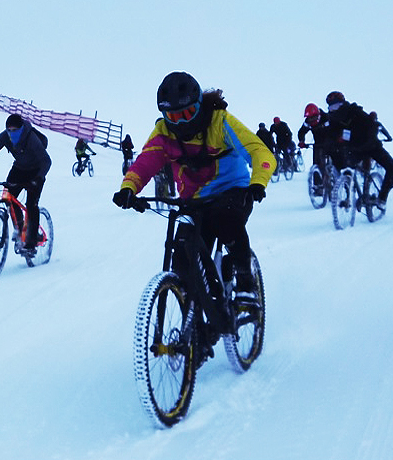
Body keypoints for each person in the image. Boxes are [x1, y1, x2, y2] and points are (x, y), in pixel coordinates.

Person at [113, 72, 275, 312]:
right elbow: (145, 162)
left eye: (187, 114)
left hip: (232, 190)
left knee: (226, 221)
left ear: (199, 105)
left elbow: (258, 151)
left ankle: (245, 283)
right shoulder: (163, 133)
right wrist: (128, 188)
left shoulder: (220, 122)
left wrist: (258, 182)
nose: (180, 123)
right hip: (193, 199)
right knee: (183, 254)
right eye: (172, 116)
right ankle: (196, 314)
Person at [0, 113, 52, 253]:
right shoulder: (5, 136)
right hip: (19, 169)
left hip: (36, 171)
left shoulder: (31, 138)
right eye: (9, 130)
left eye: (15, 130)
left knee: (31, 205)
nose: (11, 133)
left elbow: (46, 161)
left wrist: (38, 179)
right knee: (8, 197)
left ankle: (31, 242)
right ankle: (20, 229)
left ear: (21, 129)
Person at [321, 90, 393, 209]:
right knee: (346, 169)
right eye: (331, 108)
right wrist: (331, 146)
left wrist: (369, 142)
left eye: (336, 106)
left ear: (343, 103)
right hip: (354, 149)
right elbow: (330, 136)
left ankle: (382, 198)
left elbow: (371, 127)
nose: (334, 110)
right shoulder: (333, 120)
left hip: (371, 146)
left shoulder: (355, 112)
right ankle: (347, 195)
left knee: (392, 167)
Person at [297, 103, 330, 194]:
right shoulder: (308, 122)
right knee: (316, 163)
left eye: (313, 118)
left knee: (335, 162)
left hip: (330, 142)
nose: (311, 120)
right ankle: (318, 186)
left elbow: (334, 130)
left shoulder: (326, 118)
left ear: (318, 115)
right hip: (318, 144)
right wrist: (301, 141)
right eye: (309, 118)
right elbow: (301, 132)